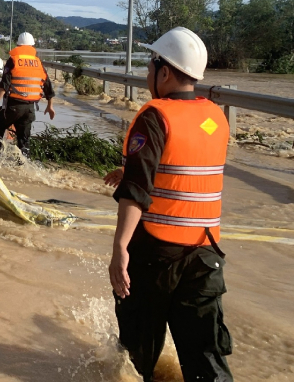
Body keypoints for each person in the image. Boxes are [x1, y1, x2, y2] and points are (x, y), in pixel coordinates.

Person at [104, 27, 232, 382]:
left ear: (165, 71)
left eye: (149, 69)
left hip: (156, 255)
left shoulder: (155, 115)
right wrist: (130, 168)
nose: (147, 77)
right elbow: (187, 167)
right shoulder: (215, 118)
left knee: (136, 353)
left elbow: (136, 192)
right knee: (207, 359)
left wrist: (120, 249)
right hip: (205, 254)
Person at [0, 32, 55, 161]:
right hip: (30, 109)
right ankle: (24, 165)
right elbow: (48, 85)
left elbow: (4, 84)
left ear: (18, 45)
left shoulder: (13, 60)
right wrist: (50, 106)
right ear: (32, 46)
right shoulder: (38, 62)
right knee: (24, 141)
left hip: (13, 106)